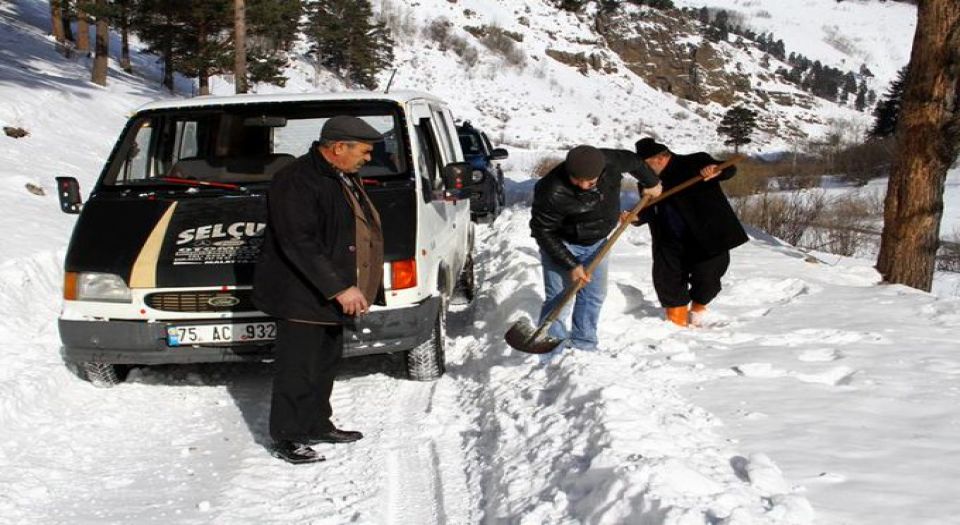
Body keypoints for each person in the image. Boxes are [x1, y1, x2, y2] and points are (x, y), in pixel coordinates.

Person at [253, 116, 385, 464]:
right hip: (301, 294)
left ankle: (316, 423)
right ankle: (288, 436)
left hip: (325, 294)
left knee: (324, 364)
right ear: (339, 147)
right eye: (365, 151)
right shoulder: (297, 180)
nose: (368, 158)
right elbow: (299, 241)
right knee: (297, 368)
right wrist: (340, 287)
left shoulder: (340, 175)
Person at [530, 145, 662, 353]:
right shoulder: (551, 190)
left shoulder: (610, 161)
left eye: (589, 182)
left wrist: (651, 182)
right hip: (562, 243)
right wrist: (571, 264)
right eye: (577, 180)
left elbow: (634, 161)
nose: (583, 186)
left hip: (598, 242)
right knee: (559, 300)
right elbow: (543, 231)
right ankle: (550, 351)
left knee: (593, 295)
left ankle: (584, 344)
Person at [634, 137, 747, 327]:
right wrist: (636, 217)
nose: (642, 170)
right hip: (669, 240)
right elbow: (648, 211)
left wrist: (715, 171)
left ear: (660, 158)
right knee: (667, 280)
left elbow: (729, 169)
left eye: (645, 164)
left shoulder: (695, 162)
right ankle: (675, 325)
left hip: (705, 237)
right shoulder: (648, 183)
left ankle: (698, 310)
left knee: (707, 278)